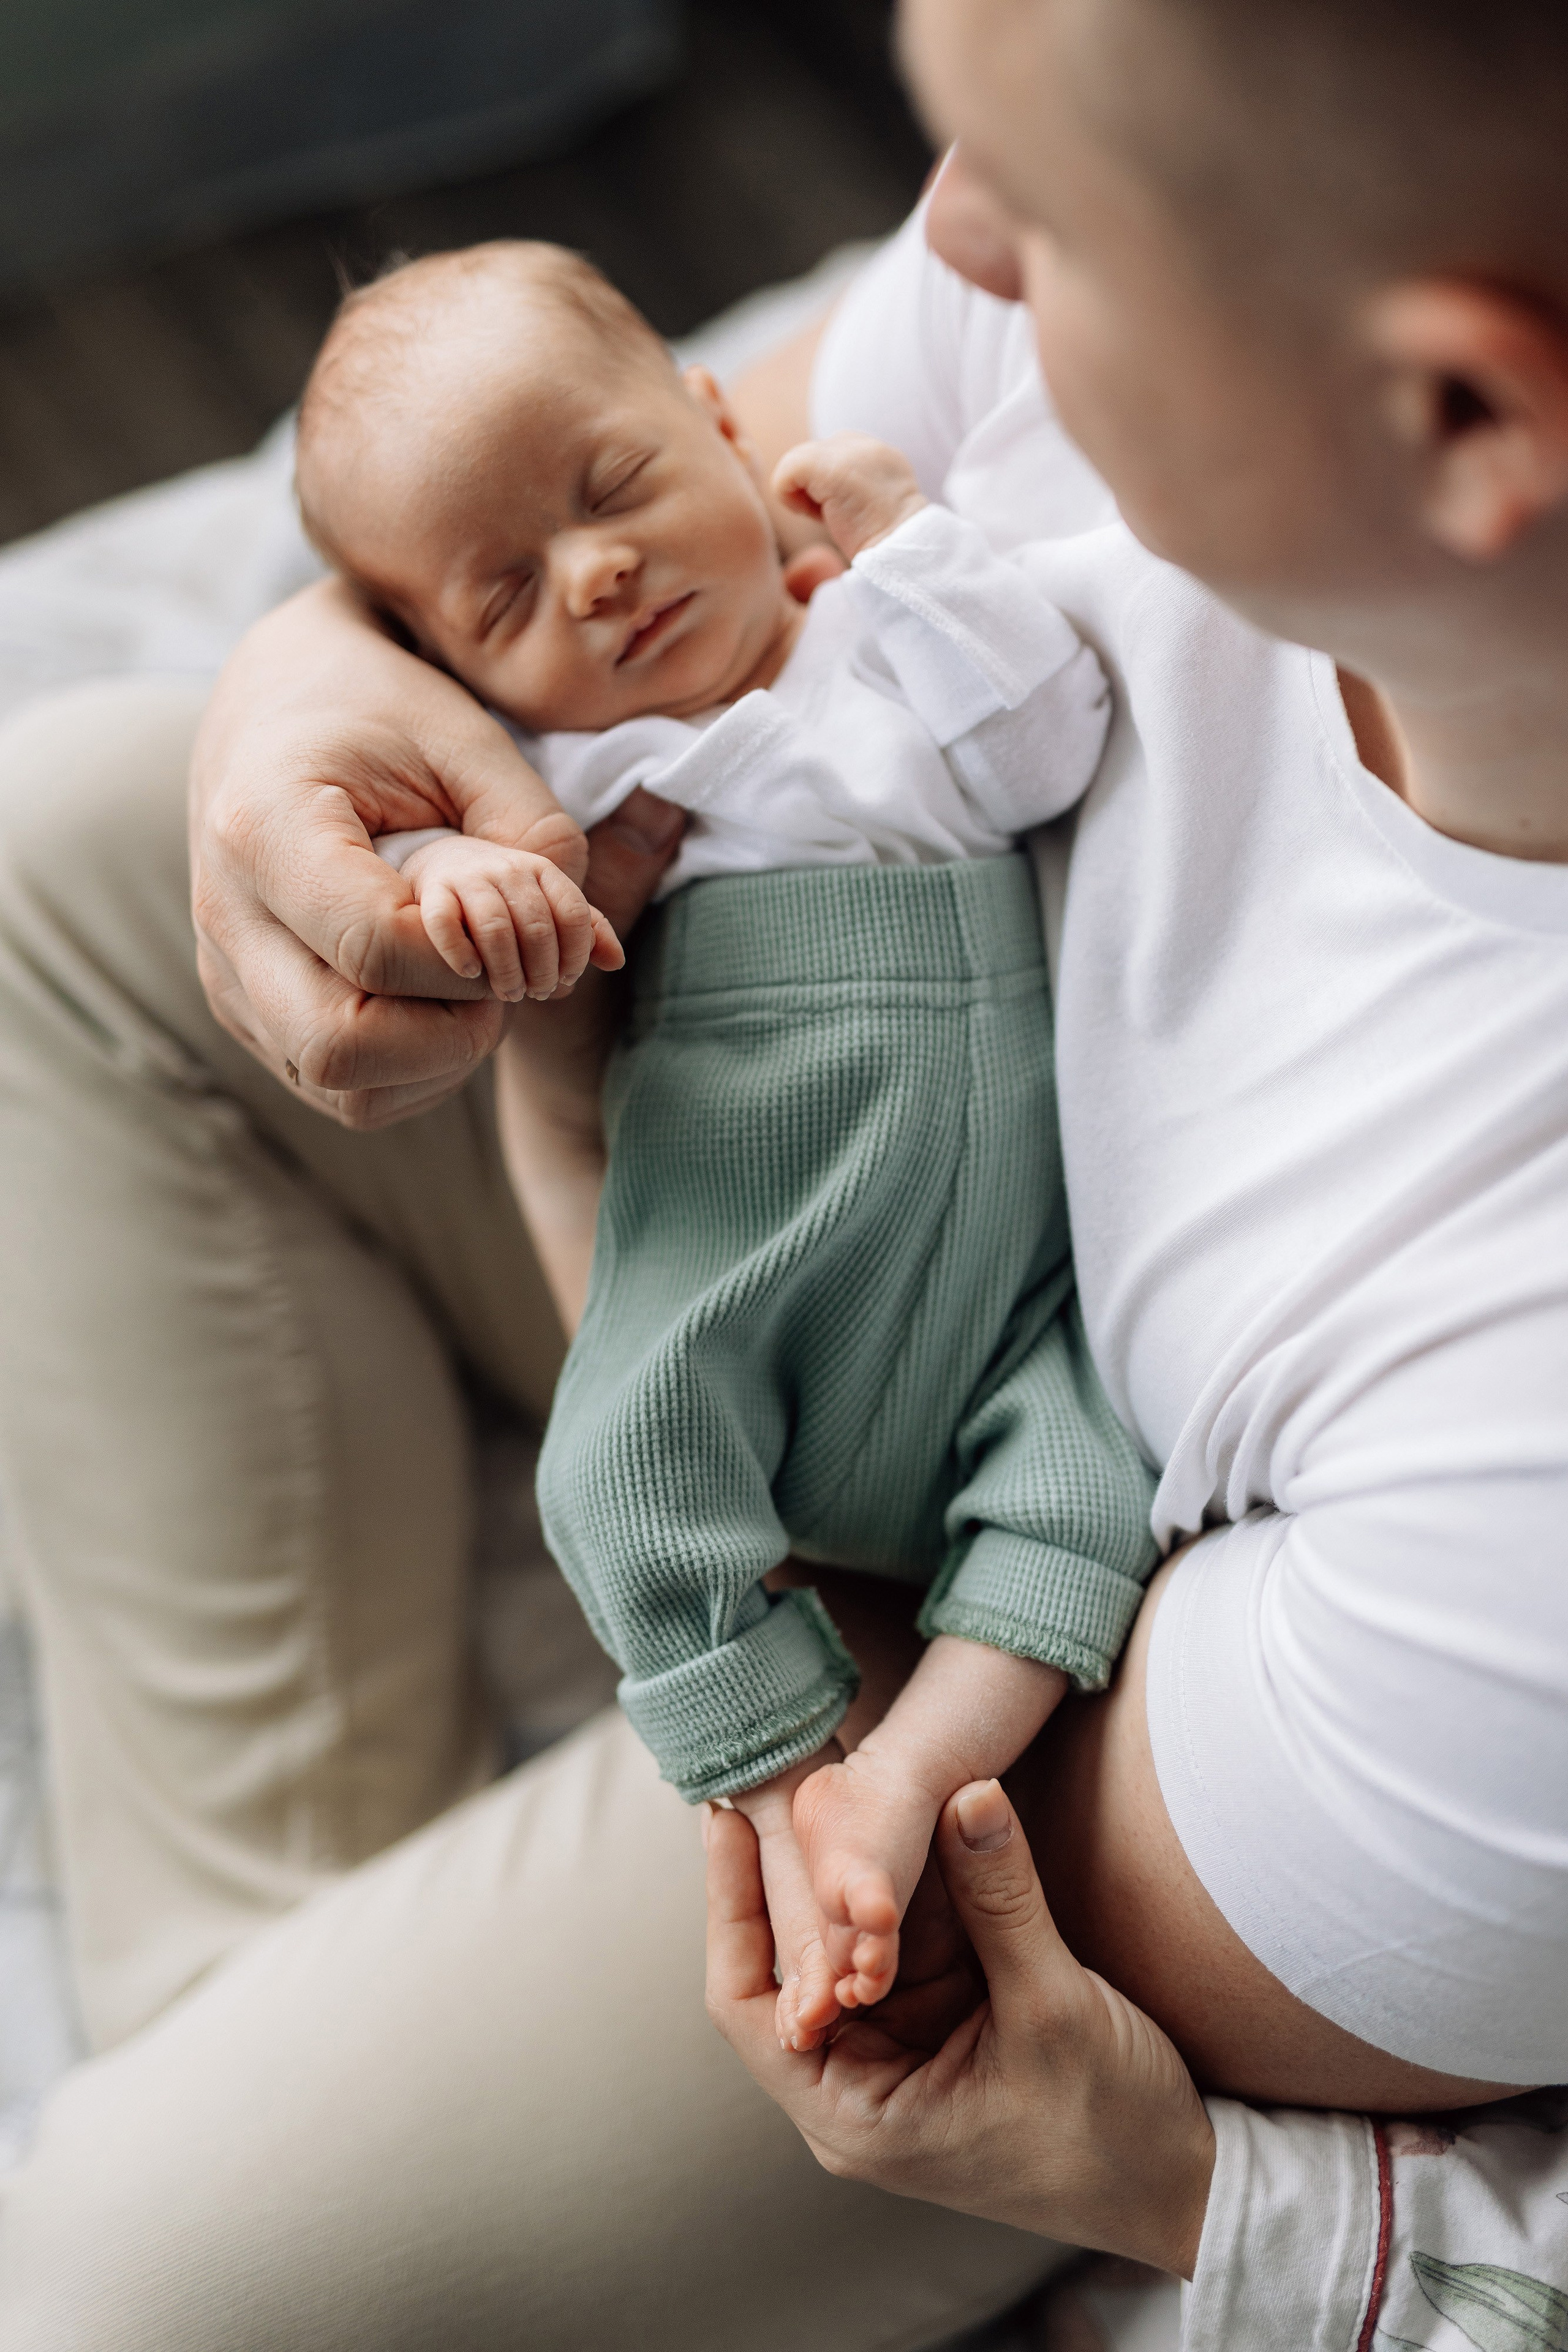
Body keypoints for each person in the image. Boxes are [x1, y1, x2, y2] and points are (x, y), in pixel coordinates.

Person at [0, 0, 1562, 2343]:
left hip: (959, 1548)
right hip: (778, 1104)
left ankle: (269, 2092)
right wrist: (325, 695)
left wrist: (562, 1127)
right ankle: (296, 2068)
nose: (933, 248)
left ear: (1462, 414)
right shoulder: (1177, 326)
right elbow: (606, 486)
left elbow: (906, 1726)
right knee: (67, 854)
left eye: (1036, 214)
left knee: (120, 2275)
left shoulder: (1510, 1499)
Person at [292, 237, 1152, 2037]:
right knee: (618, 1469)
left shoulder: (881, 639)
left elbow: (1049, 748)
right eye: (506, 598)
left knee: (1085, 1490)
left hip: (1010, 1294)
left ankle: (905, 1781)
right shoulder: (590, 781)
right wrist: (464, 876)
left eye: (612, 492)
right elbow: (430, 850)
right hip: (747, 1255)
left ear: (715, 416)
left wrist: (918, 547)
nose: (597, 580)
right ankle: (777, 1782)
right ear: (455, 670)